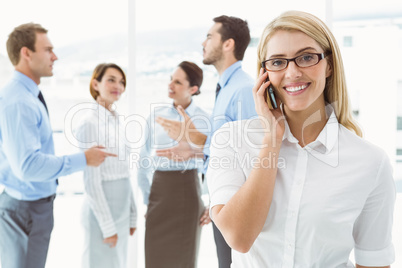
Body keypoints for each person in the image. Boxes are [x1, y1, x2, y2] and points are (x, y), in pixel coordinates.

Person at [207, 10, 395, 268]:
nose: (293, 72)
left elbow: (374, 262)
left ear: (329, 65)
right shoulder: (231, 140)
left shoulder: (370, 162)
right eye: (277, 62)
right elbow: (238, 237)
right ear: (265, 74)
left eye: (306, 57)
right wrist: (272, 140)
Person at [0, 23, 115, 268]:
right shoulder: (19, 101)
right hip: (26, 211)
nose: (55, 56)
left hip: (30, 207)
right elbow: (28, 166)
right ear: (26, 53)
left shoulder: (25, 95)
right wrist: (84, 159)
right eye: (48, 50)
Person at [156, 16, 257, 268]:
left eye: (210, 36)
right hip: (225, 203)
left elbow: (253, 159)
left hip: (237, 211)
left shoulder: (243, 89)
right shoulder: (226, 88)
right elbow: (228, 152)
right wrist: (195, 147)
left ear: (228, 44)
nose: (203, 42)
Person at [137, 61, 211, 268]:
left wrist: (213, 201)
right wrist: (147, 199)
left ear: (193, 89)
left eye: (178, 82)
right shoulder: (156, 116)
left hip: (188, 192)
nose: (171, 85)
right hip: (159, 193)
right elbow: (143, 160)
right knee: (154, 259)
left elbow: (217, 162)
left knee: (184, 259)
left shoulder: (205, 119)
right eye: (171, 79)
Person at [74, 63, 137, 268]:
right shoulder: (89, 123)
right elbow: (91, 181)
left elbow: (125, 172)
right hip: (102, 212)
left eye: (121, 82)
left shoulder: (116, 120)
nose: (118, 85)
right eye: (111, 80)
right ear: (95, 84)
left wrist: (132, 214)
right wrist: (107, 226)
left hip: (121, 209)